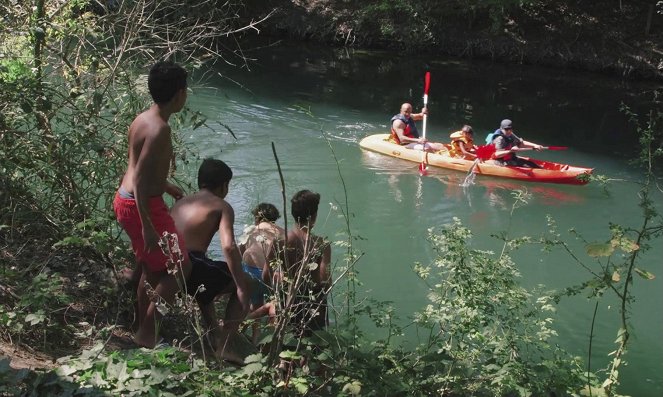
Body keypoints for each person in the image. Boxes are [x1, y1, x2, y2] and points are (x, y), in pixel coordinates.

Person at [113, 61, 192, 349]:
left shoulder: (143, 118)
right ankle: (148, 333)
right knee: (181, 267)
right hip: (142, 205)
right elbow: (142, 180)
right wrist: (147, 225)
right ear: (179, 94)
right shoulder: (160, 130)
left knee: (153, 269)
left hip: (128, 200)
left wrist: (167, 186)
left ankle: (139, 328)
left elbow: (137, 168)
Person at [170, 158, 254, 363]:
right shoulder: (222, 206)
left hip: (169, 266)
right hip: (191, 264)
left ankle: (212, 332)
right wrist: (241, 284)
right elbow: (228, 246)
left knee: (211, 273)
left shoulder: (181, 202)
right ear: (224, 185)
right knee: (246, 282)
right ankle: (225, 346)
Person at [266, 190, 331, 337]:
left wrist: (274, 299)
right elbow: (326, 281)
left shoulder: (279, 242)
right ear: (314, 216)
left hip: (286, 299)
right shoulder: (321, 244)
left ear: (293, 214)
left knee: (287, 343)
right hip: (313, 303)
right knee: (313, 348)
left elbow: (266, 275)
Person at [239, 202, 285, 343]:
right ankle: (272, 340)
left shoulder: (251, 230)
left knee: (255, 303)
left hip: (251, 273)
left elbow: (240, 252)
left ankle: (255, 337)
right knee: (274, 304)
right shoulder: (282, 232)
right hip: (273, 275)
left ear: (257, 217)